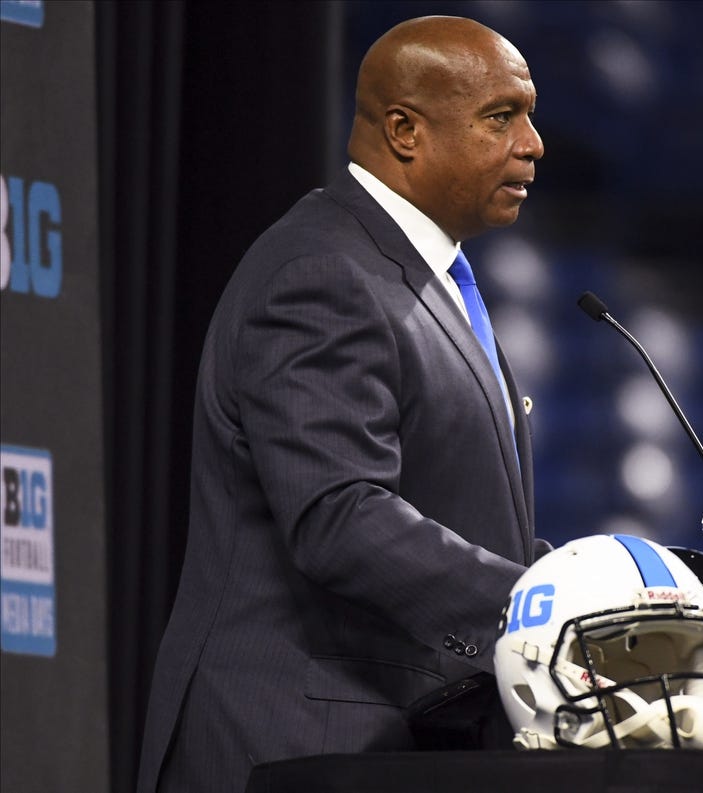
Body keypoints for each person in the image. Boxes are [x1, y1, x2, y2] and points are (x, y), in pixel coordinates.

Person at [136, 15, 547, 793]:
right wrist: (537, 599)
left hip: (385, 743)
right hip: (292, 742)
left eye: (528, 115)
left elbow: (455, 508)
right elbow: (337, 514)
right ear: (404, 131)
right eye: (502, 117)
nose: (532, 144)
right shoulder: (321, 270)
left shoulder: (421, 277)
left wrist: (590, 580)